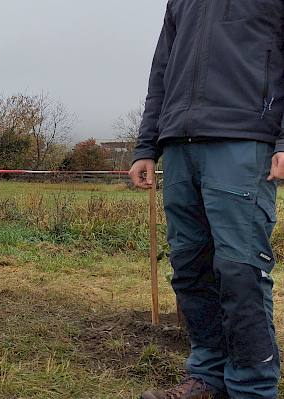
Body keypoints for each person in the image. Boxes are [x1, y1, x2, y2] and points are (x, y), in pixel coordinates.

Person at [129, 2, 284, 398]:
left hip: (244, 139)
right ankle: (207, 376)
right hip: (179, 144)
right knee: (190, 267)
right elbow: (161, 70)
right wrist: (147, 145)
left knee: (240, 270)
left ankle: (251, 387)